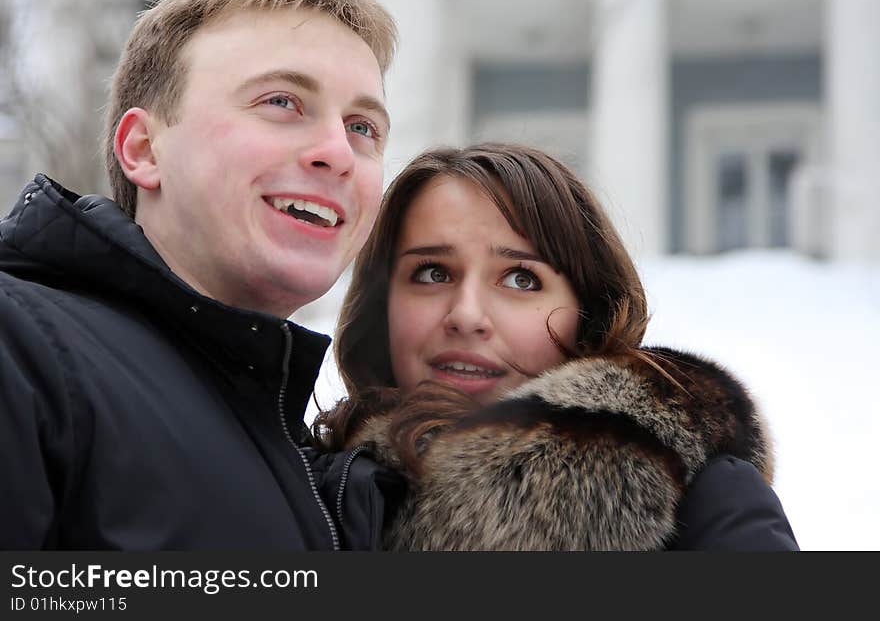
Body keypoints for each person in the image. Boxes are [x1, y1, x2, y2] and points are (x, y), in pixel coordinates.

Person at [0, 0, 398, 549]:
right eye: (281, 101)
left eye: (363, 127)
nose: (339, 151)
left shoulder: (316, 460)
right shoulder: (19, 353)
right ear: (143, 149)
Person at [314, 143, 799, 550]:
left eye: (521, 278)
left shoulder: (704, 504)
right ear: (383, 307)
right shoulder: (305, 496)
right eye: (432, 273)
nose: (465, 315)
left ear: (589, 316)